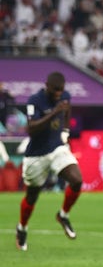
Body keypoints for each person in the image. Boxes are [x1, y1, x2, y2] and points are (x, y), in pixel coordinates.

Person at [16, 72, 83, 251]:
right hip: (36, 155)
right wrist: (55, 112)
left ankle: (63, 215)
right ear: (47, 85)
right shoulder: (35, 100)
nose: (58, 94)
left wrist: (66, 130)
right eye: (55, 90)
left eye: (61, 90)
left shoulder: (64, 96)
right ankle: (21, 228)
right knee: (32, 196)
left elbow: (67, 109)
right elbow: (31, 128)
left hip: (57, 149)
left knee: (77, 181)